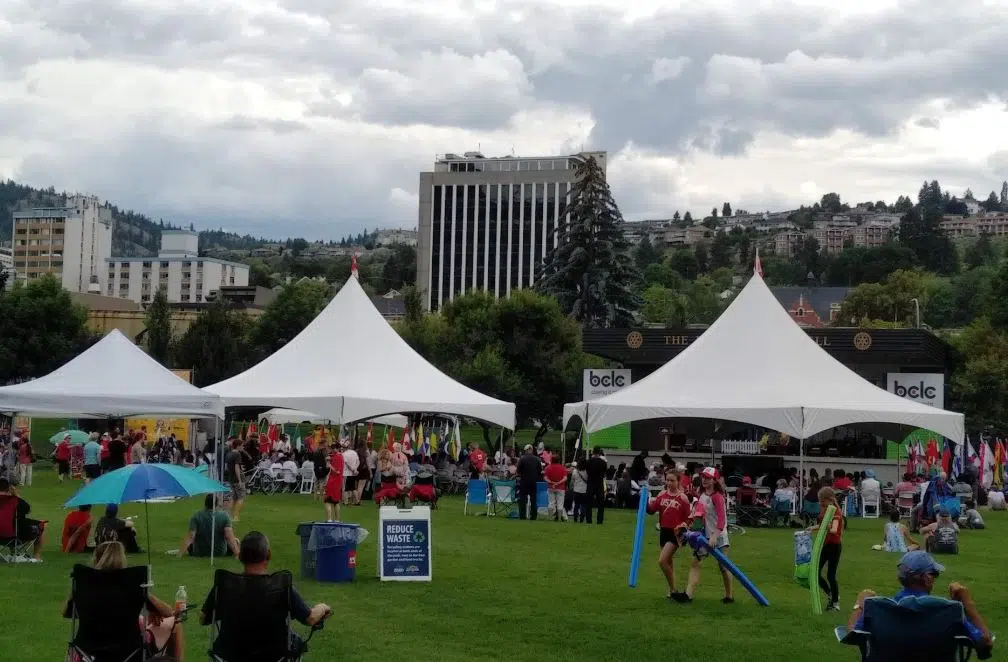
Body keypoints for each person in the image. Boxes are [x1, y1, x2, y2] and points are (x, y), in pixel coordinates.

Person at [200, 532, 331, 656]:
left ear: (240, 556)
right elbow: (310, 618)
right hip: (275, 655)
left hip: (230, 655)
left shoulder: (225, 585)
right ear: (268, 555)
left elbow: (203, 618)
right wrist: (323, 607)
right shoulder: (280, 586)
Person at [846, 551, 993, 654]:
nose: (935, 579)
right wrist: (967, 603)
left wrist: (860, 602)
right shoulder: (949, 611)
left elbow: (852, 634)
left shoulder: (878, 608)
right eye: (935, 574)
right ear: (926, 578)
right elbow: (985, 643)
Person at [64, 541, 184, 661]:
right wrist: (151, 603)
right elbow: (169, 613)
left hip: (87, 650)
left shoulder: (83, 582)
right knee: (175, 624)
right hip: (130, 650)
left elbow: (68, 613)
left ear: (96, 558)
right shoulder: (133, 582)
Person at [682, 467, 732, 604]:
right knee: (695, 563)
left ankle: (729, 596)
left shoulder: (717, 497)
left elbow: (722, 519)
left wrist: (715, 535)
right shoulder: (702, 494)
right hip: (704, 536)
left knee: (723, 567)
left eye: (708, 478)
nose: (704, 479)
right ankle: (688, 595)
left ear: (715, 480)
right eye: (703, 477)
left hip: (719, 535)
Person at [647, 469, 691, 600]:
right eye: (667, 480)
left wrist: (684, 526)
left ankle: (672, 589)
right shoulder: (662, 495)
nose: (669, 483)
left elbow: (689, 517)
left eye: (672, 480)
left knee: (662, 561)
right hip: (664, 531)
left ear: (678, 482)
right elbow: (651, 510)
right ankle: (673, 589)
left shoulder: (683, 498)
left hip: (675, 533)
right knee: (669, 563)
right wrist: (643, 501)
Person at [808, 486, 845, 611]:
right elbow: (822, 524)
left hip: (835, 546)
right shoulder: (825, 510)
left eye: (822, 501)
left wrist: (828, 526)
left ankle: (835, 603)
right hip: (826, 545)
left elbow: (834, 529)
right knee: (815, 572)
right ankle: (830, 594)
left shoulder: (836, 512)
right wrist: (813, 527)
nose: (820, 503)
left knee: (831, 576)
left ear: (830, 499)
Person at [0, 477, 45, 560]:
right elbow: (27, 509)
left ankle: (13, 552)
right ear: (8, 488)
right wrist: (16, 494)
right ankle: (36, 556)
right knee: (41, 524)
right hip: (14, 535)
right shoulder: (15, 500)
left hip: (2, 537)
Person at [516, 444, 541, 521]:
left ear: (527, 450)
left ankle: (522, 515)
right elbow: (539, 470)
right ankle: (533, 516)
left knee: (523, 499)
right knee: (533, 499)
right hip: (533, 481)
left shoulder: (522, 459)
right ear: (532, 450)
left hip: (524, 481)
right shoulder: (537, 459)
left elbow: (518, 470)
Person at [585, 446, 608, 525]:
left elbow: (587, 471)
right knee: (600, 503)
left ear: (593, 452)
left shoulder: (588, 462)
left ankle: (589, 520)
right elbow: (604, 472)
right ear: (599, 453)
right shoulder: (603, 463)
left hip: (590, 483)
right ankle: (599, 520)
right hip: (599, 484)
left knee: (588, 503)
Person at [225, 439, 246, 522]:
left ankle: (229, 516)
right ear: (238, 446)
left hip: (231, 478)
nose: (243, 447)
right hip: (237, 479)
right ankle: (236, 516)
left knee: (233, 498)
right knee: (240, 498)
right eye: (242, 445)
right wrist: (240, 480)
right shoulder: (237, 454)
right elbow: (236, 467)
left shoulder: (228, 454)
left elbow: (228, 467)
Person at [543, 455, 568, 522]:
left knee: (551, 503)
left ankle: (550, 517)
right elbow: (565, 478)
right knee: (560, 504)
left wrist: (551, 482)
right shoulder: (563, 468)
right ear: (559, 460)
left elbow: (545, 478)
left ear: (551, 460)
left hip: (551, 487)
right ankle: (559, 518)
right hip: (561, 488)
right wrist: (558, 483)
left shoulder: (548, 468)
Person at [324, 444, 345, 521]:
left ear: (336, 448)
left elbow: (337, 471)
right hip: (338, 481)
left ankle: (329, 519)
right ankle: (337, 520)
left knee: (327, 500)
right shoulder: (339, 456)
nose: (331, 451)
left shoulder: (337, 457)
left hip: (333, 481)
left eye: (332, 449)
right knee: (336, 501)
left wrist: (329, 465)